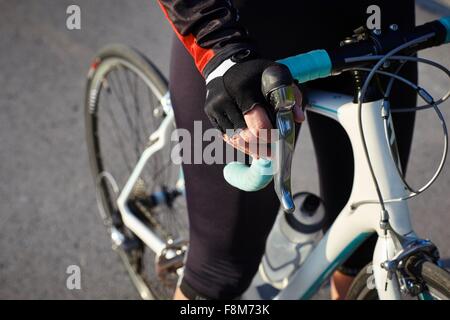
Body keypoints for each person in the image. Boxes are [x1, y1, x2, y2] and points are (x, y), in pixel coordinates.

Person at [158, 0, 417, 300]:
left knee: (366, 245)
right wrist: (222, 49)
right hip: (247, 26)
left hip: (377, 14)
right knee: (218, 273)